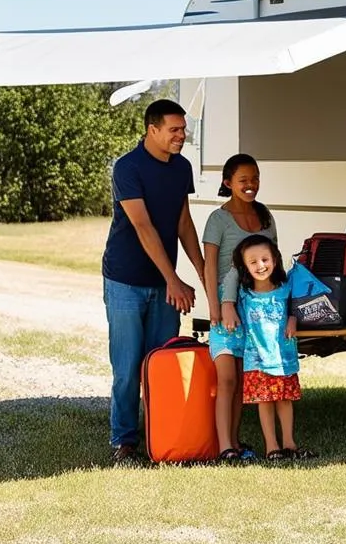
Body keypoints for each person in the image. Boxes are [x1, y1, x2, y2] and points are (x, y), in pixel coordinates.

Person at [102, 99, 206, 464]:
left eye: (183, 129)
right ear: (153, 130)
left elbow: (183, 224)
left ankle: (162, 436)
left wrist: (204, 274)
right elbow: (143, 227)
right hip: (126, 280)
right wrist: (173, 281)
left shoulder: (182, 169)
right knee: (129, 367)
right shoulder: (127, 168)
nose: (182, 135)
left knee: (162, 363)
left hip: (164, 283)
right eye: (175, 130)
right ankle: (125, 442)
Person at [202, 153, 277, 462]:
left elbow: (274, 260)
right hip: (227, 304)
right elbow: (209, 267)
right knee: (227, 379)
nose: (251, 185)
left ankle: (234, 442)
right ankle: (224, 447)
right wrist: (216, 308)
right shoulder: (217, 219)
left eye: (255, 179)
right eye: (244, 180)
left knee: (245, 379)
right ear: (228, 183)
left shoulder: (266, 216)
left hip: (257, 306)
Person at [232, 234, 316, 461]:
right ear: (245, 267)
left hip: (283, 357)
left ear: (275, 260)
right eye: (253, 262)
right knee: (265, 401)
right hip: (257, 359)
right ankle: (272, 446)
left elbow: (298, 307)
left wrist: (293, 318)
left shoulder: (285, 288)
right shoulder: (243, 294)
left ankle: (289, 443)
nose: (260, 266)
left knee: (284, 399)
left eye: (265, 259)